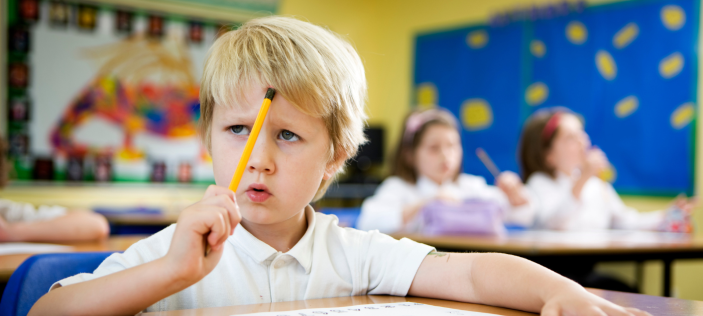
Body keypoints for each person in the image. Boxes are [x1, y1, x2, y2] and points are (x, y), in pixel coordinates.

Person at [31, 17, 649, 316]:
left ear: (334, 159)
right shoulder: (178, 251)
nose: (261, 159)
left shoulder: (350, 251)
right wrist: (166, 275)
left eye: (289, 135)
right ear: (208, 140)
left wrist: (556, 291)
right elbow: (46, 313)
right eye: (238, 131)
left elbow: (468, 277)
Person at [357, 108, 533, 234]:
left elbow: (524, 215)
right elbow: (367, 223)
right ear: (409, 154)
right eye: (434, 148)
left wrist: (516, 195)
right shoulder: (398, 188)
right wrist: (427, 203)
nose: (446, 155)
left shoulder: (471, 186)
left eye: (452, 146)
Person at [519, 108, 695, 231]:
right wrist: (582, 180)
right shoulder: (540, 183)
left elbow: (627, 221)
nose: (582, 141)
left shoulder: (595, 185)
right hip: (557, 271)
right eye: (570, 138)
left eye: (581, 132)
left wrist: (666, 216)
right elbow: (553, 224)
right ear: (548, 156)